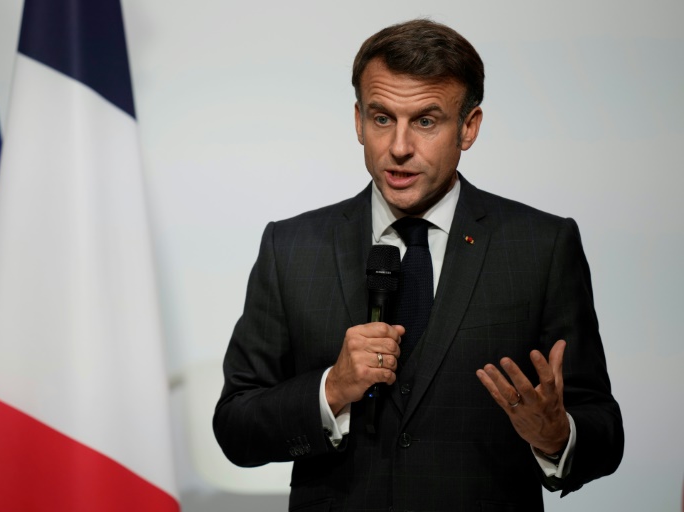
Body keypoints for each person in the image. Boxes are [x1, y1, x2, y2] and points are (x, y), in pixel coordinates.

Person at [213, 18, 623, 512]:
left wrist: (556, 437)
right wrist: (332, 389)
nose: (400, 147)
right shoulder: (292, 247)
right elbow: (235, 427)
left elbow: (602, 430)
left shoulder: (541, 246)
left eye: (426, 120)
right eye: (382, 117)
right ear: (358, 120)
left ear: (468, 127)